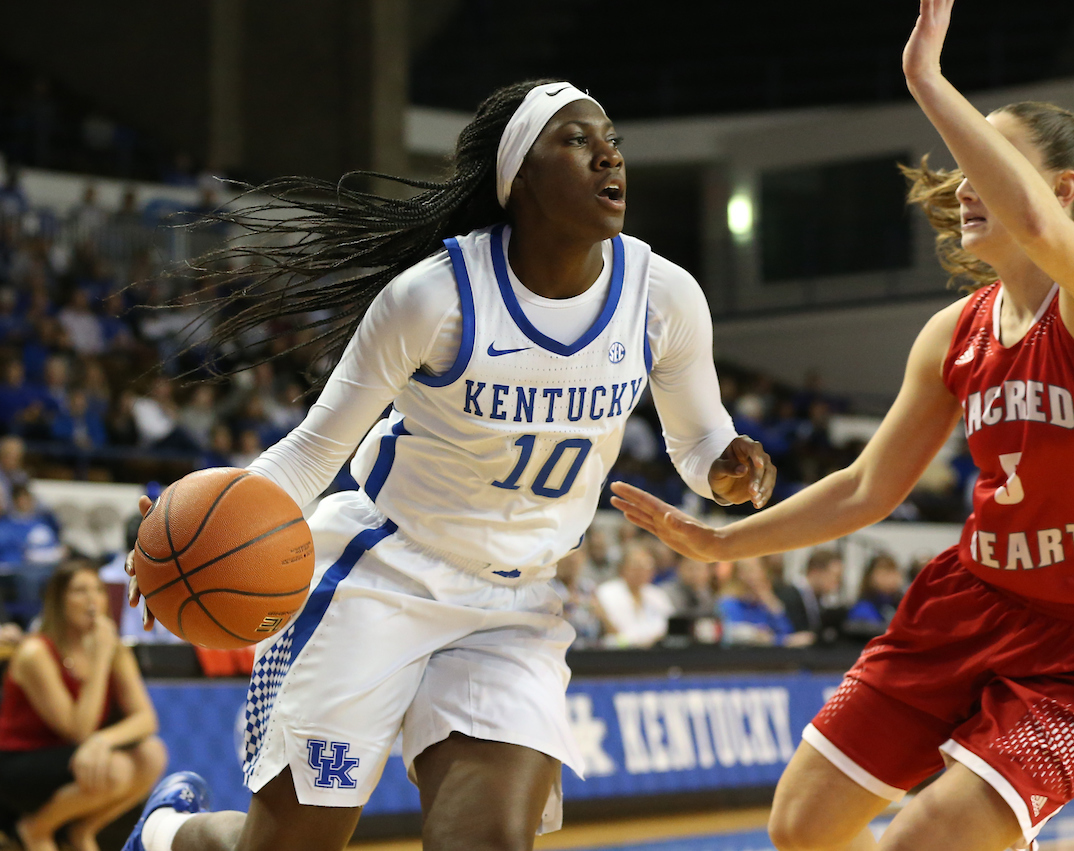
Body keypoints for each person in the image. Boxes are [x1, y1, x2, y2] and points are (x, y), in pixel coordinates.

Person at [121, 80, 776, 851]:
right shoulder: (432, 298)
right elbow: (314, 450)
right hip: (383, 575)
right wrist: (196, 523)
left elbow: (700, 444)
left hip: (514, 603)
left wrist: (731, 471)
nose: (609, 154)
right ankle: (167, 833)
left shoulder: (663, 296)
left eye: (612, 141)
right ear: (518, 176)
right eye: (574, 138)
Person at [610, 1, 1074, 847]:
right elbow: (869, 485)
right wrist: (725, 544)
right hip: (970, 603)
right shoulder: (956, 333)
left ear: (1059, 189)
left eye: (982, 158)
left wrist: (926, 80)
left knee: (923, 840)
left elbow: (1035, 227)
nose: (958, 181)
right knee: (800, 824)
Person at [0, 561, 166, 851]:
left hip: (73, 757)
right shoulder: (35, 653)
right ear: (58, 600)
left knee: (152, 754)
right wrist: (101, 658)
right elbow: (78, 730)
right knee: (114, 770)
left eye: (98, 590)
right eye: (80, 590)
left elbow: (146, 719)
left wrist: (104, 740)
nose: (92, 600)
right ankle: (36, 830)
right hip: (18, 763)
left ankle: (80, 830)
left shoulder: (113, 649)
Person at [717, 557, 813, 647]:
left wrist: (772, 604)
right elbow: (735, 635)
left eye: (757, 570)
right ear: (738, 574)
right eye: (749, 570)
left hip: (767, 659)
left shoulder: (763, 602)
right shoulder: (729, 602)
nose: (754, 576)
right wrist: (777, 640)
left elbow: (786, 631)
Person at [595, 542, 675, 648]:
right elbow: (614, 632)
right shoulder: (606, 592)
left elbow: (669, 628)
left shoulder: (657, 595)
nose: (642, 571)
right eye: (636, 566)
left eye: (647, 566)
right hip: (617, 654)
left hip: (655, 653)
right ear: (622, 567)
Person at [842, 553, 905, 638]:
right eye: (885, 573)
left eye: (894, 572)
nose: (892, 578)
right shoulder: (863, 608)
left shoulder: (900, 604)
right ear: (870, 577)